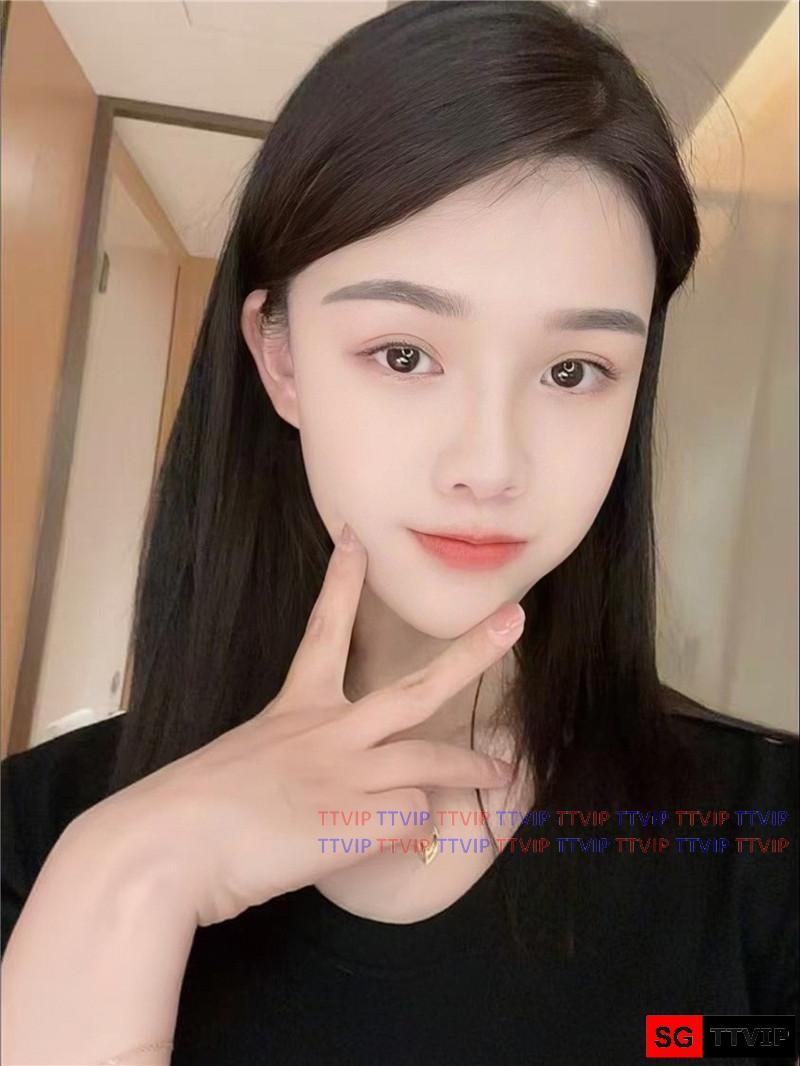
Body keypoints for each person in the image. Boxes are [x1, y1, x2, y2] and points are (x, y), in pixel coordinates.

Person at [2, 2, 797, 1064]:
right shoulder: (40, 837)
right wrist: (128, 872)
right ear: (281, 359)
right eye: (404, 354)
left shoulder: (760, 841)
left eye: (573, 371)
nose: (490, 464)